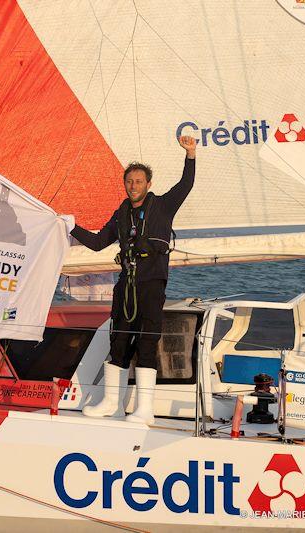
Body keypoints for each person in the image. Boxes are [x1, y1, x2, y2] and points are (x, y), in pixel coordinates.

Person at [65, 135, 196, 424]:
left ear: (148, 184)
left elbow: (186, 185)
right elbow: (99, 242)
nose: (133, 186)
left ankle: (144, 410)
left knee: (147, 341)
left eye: (138, 181)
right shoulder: (121, 213)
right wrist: (72, 227)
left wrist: (190, 154)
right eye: (129, 182)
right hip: (126, 285)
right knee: (119, 342)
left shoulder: (163, 206)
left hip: (152, 283)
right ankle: (112, 403)